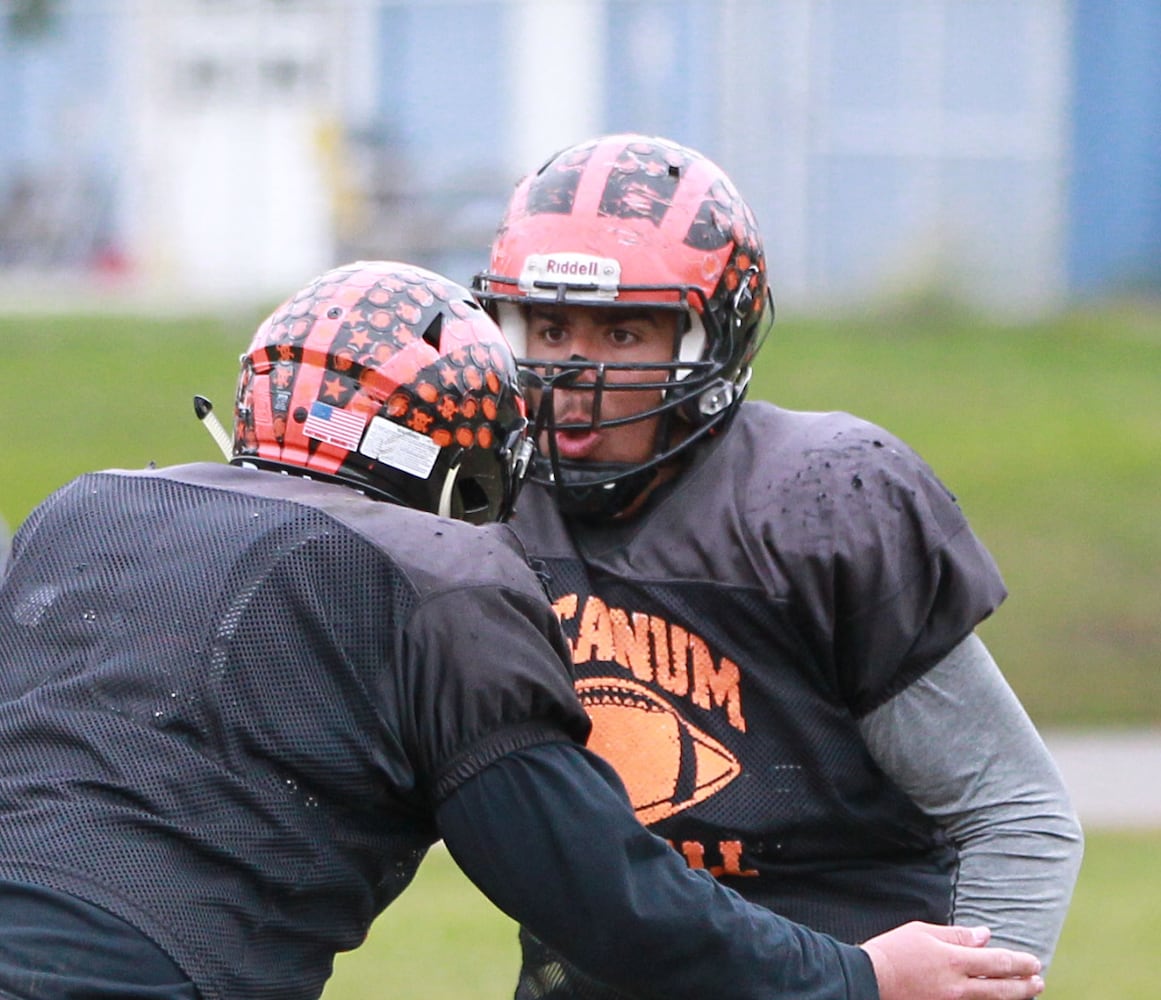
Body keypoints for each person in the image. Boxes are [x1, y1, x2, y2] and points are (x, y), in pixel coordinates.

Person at [0, 260, 1046, 1000]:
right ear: (457, 455)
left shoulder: (85, 506)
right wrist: (858, 976)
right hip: (148, 966)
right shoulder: (445, 573)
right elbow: (609, 902)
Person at [472, 134, 1084, 1000]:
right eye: (549, 326)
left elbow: (1013, 812)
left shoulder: (817, 498)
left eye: (621, 329)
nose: (575, 371)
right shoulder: (480, 508)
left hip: (860, 970)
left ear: (711, 337)